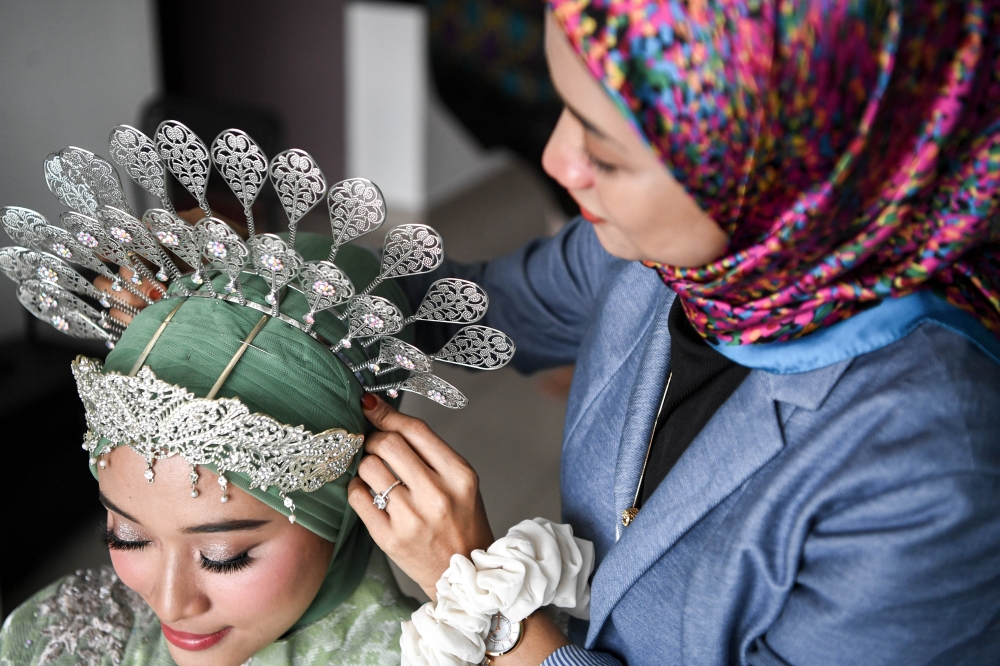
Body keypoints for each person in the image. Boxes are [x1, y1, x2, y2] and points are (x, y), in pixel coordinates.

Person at [345, 1, 1000, 664]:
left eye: (606, 152)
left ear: (781, 165)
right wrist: (296, 285)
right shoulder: (665, 257)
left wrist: (477, 591)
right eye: (565, 109)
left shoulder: (933, 469)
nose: (555, 160)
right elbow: (471, 307)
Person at [0, 234, 420, 666]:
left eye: (224, 559)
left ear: (354, 499)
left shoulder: (436, 654)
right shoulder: (65, 634)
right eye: (126, 537)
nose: (169, 605)